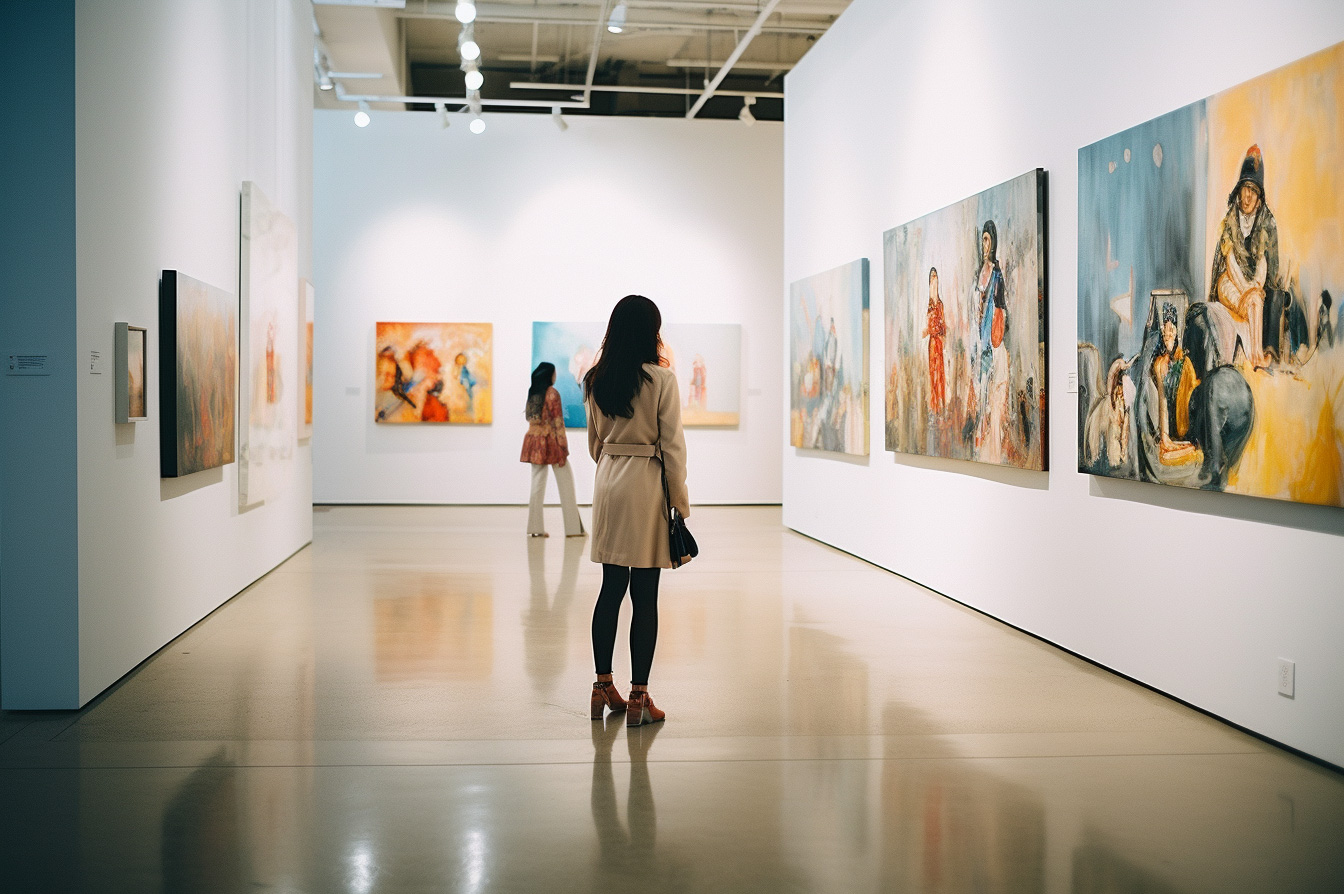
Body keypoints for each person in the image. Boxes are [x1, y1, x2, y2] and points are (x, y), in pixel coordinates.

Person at [583, 295, 689, 728]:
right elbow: (673, 446)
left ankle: (601, 685)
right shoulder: (662, 379)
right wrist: (679, 501)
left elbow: (593, 444)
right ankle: (639, 698)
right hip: (647, 484)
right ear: (652, 331)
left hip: (609, 483)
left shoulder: (595, 379)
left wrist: (613, 462)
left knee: (611, 588)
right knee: (645, 594)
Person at [1209, 144, 1280, 368]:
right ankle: (1254, 357)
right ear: (1238, 191)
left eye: (1253, 191)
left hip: (1250, 286)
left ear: (1259, 197)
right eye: (1244, 189)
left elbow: (1262, 265)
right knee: (1251, 299)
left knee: (1256, 300)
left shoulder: (1265, 221)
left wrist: (1255, 288)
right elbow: (1230, 265)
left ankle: (1257, 356)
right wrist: (1246, 290)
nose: (1247, 196)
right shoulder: (1230, 220)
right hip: (1229, 283)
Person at [521, 362, 584, 538]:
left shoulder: (533, 393)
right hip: (552, 443)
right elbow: (558, 423)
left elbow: (530, 418)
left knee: (536, 485)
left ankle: (534, 529)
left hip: (534, 442)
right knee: (566, 485)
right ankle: (573, 529)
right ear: (549, 375)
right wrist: (563, 447)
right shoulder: (552, 394)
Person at [921, 267, 947, 415]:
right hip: (932, 342)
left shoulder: (939, 304)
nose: (934, 279)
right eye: (931, 277)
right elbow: (928, 326)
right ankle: (935, 405)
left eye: (935, 276)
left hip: (938, 341)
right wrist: (929, 331)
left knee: (940, 371)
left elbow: (942, 325)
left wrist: (938, 331)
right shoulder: (929, 305)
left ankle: (941, 404)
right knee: (933, 372)